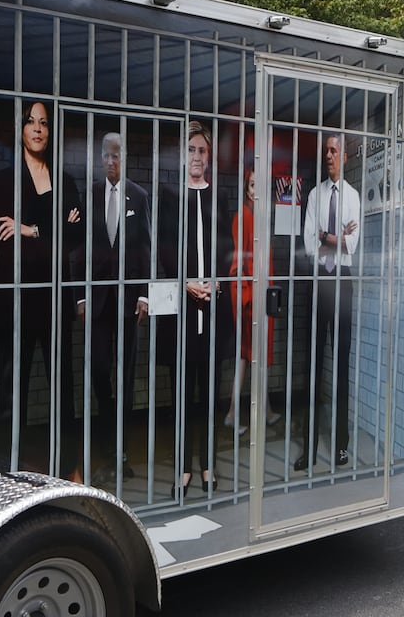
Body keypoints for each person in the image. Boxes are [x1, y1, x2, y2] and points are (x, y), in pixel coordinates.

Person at [0, 99, 85, 477]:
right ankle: (6, 474)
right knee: (11, 393)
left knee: (63, 391)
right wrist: (55, 226)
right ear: (20, 129)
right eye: (31, 121)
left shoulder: (65, 180)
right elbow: (3, 240)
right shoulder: (3, 179)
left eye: (44, 122)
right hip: (16, 297)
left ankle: (69, 469)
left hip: (55, 297)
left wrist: (30, 228)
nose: (38, 128)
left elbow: (76, 236)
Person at [160, 120, 232, 499]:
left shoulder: (219, 199)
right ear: (182, 155)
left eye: (202, 150)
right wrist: (184, 283)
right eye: (191, 150)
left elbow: (228, 249)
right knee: (182, 398)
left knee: (210, 397)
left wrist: (217, 283)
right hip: (183, 313)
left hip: (214, 310)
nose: (197, 157)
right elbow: (163, 250)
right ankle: (184, 469)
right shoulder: (171, 197)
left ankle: (208, 465)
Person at [77, 131, 151, 479]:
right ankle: (106, 446)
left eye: (116, 155)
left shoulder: (139, 196)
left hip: (127, 303)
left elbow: (146, 249)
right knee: (99, 372)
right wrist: (80, 295)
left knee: (126, 377)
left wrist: (144, 295)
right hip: (97, 303)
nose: (110, 161)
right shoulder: (89, 193)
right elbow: (78, 248)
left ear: (125, 157)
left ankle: (119, 453)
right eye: (106, 155)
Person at [296, 131, 362, 472]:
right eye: (326, 151)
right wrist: (332, 238)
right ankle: (307, 449)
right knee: (312, 367)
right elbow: (309, 244)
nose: (329, 156)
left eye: (334, 151)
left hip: (343, 284)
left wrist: (329, 237)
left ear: (345, 156)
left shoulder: (353, 197)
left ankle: (341, 447)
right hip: (319, 281)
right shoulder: (314, 196)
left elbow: (353, 245)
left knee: (341, 368)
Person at [224, 164, 281, 432]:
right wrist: (248, 298)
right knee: (247, 358)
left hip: (259, 297)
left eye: (261, 185)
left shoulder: (256, 217)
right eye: (253, 185)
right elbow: (239, 263)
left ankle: (262, 411)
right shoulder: (243, 217)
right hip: (251, 300)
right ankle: (234, 413)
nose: (257, 190)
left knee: (252, 358)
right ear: (247, 189)